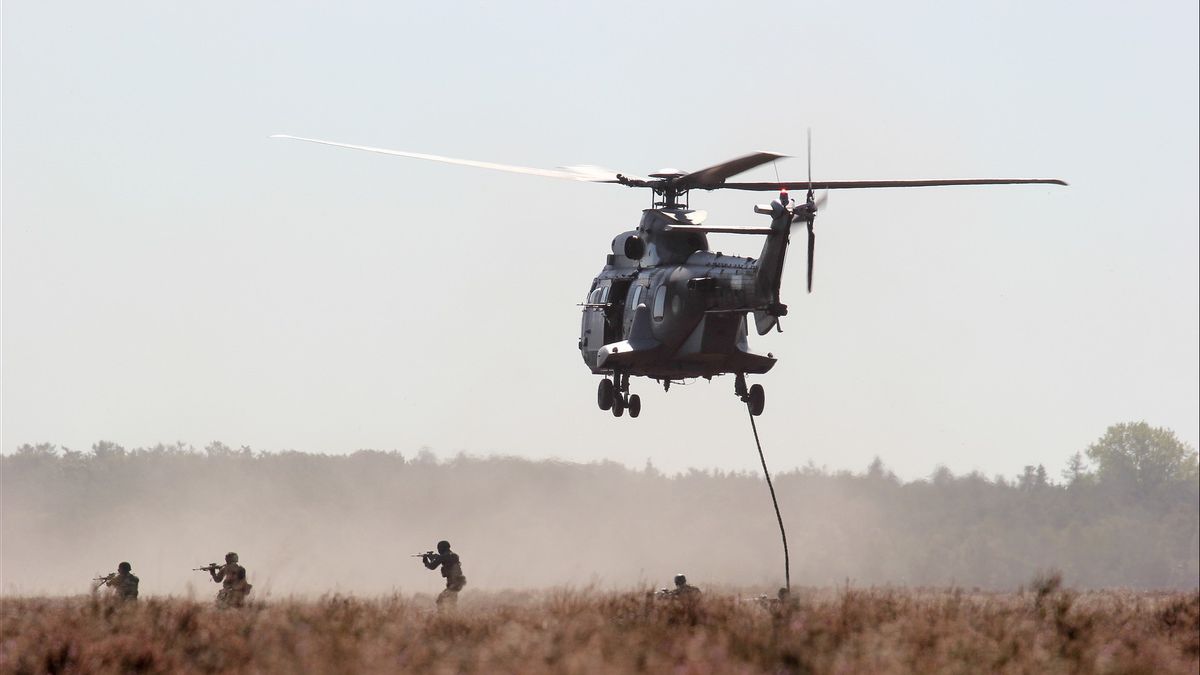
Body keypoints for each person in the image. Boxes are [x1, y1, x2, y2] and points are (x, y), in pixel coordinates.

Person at [421, 540, 466, 610]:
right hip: (457, 583)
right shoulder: (454, 555)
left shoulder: (443, 557)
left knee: (440, 601)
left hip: (453, 584)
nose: (438, 550)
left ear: (441, 548)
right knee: (451, 602)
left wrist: (426, 561)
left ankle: (444, 617)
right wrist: (435, 558)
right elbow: (447, 561)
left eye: (439, 548)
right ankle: (452, 617)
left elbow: (432, 566)